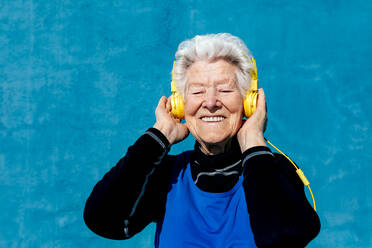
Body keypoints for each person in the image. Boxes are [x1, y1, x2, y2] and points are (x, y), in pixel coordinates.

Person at [83, 33, 321, 247]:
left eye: (225, 90)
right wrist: (158, 137)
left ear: (249, 101)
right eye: (197, 92)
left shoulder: (273, 171)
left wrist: (253, 142)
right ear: (180, 105)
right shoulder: (167, 176)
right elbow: (102, 220)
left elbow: (281, 240)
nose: (210, 102)